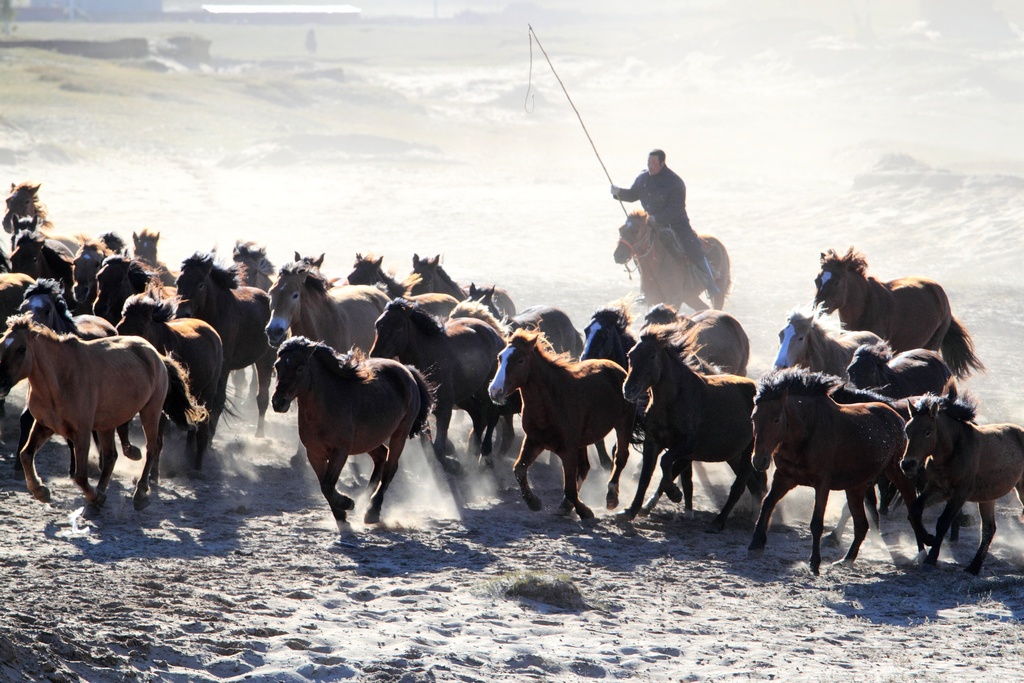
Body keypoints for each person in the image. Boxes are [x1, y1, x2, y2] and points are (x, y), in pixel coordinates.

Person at [611, 149, 720, 296]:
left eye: (654, 163)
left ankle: (711, 285)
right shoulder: (643, 179)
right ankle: (647, 290)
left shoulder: (674, 182)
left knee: (692, 246)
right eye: (648, 162)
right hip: (651, 226)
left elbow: (675, 210)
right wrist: (618, 192)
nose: (650, 166)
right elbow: (632, 195)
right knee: (638, 247)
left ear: (662, 163)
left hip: (677, 225)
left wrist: (656, 218)